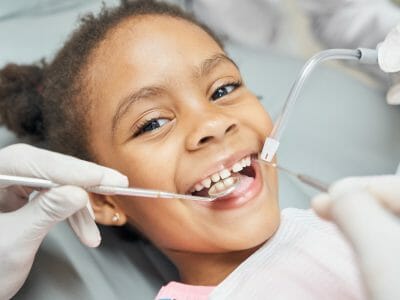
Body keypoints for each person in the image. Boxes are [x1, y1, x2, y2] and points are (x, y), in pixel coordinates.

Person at [0, 1, 398, 299]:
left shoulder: (368, 209)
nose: (211, 123)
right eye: (152, 123)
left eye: (222, 90)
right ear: (102, 199)